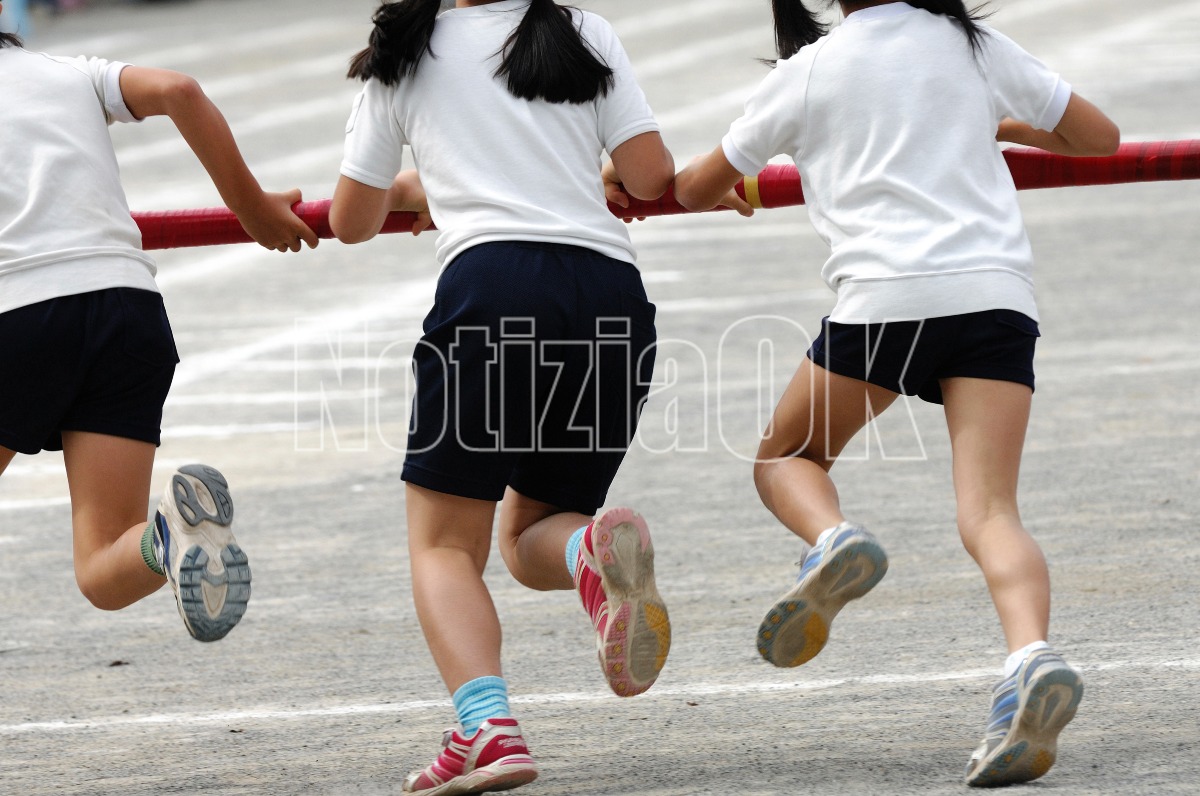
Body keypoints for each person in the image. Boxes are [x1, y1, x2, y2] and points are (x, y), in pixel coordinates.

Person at [673, 0, 1119, 788]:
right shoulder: (973, 45)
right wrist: (1000, 126)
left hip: (884, 303)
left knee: (788, 455)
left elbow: (694, 187)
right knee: (991, 514)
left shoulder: (807, 71)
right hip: (993, 296)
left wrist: (730, 181)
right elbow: (1099, 138)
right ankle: (1030, 656)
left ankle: (834, 538)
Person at [327, 0, 744, 791]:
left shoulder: (406, 51)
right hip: (610, 298)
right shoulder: (581, 31)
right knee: (530, 535)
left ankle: (488, 725)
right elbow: (652, 175)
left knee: (445, 544)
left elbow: (352, 219)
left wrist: (430, 188)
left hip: (493, 288)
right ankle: (587, 553)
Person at [0, 16, 319, 643]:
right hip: (129, 309)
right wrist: (253, 209)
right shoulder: (70, 73)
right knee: (101, 568)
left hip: (20, 313)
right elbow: (179, 90)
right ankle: (167, 534)